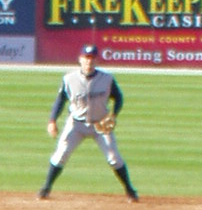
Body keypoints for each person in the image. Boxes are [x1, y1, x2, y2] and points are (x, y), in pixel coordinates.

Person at [38, 41, 137, 201]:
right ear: (80, 59)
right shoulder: (69, 79)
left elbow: (118, 98)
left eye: (92, 58)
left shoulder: (107, 79)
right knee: (61, 154)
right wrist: (52, 121)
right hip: (76, 124)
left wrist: (113, 114)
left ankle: (130, 190)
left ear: (97, 60)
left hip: (100, 125)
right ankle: (46, 188)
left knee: (114, 157)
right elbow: (60, 101)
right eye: (86, 57)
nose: (89, 61)